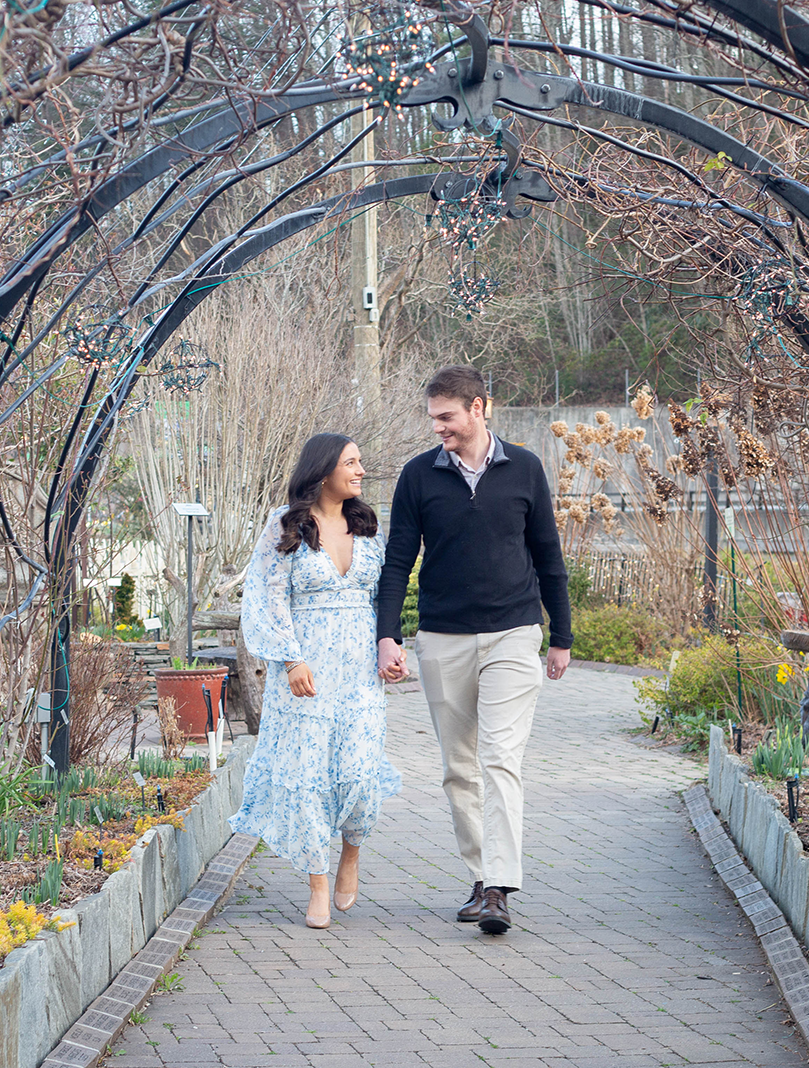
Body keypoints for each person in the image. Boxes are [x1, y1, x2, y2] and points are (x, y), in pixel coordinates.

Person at [376, 365, 571, 936]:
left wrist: (560, 635)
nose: (439, 428)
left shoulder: (525, 468)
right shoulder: (418, 477)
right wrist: (388, 634)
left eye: (447, 417)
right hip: (443, 638)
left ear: (478, 408)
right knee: (459, 767)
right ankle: (481, 876)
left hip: (514, 633)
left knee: (500, 758)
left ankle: (498, 888)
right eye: (433, 418)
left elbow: (548, 555)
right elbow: (397, 561)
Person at [231, 432, 407, 928]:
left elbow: (380, 599)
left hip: (358, 675)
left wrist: (388, 648)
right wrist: (290, 659)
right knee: (308, 779)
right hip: (305, 674)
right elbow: (265, 597)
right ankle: (317, 882)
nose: (361, 470)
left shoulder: (367, 526)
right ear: (324, 469)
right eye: (352, 462)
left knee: (359, 771)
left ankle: (350, 855)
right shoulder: (285, 526)